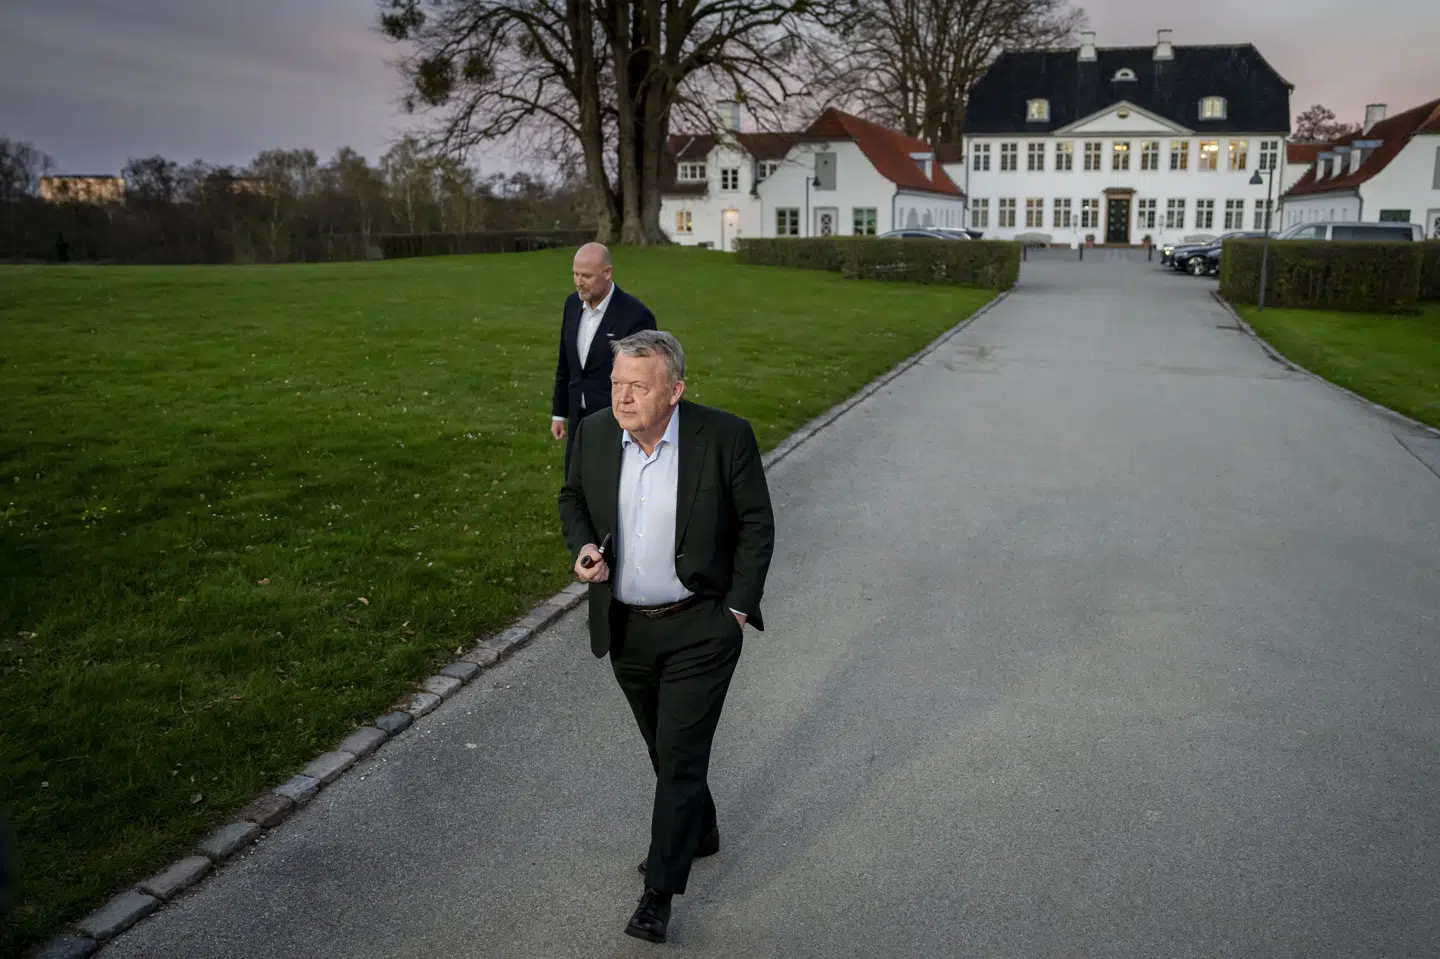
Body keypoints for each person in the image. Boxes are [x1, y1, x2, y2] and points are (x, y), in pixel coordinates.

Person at [558, 330, 775, 944]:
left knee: (679, 755)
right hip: (626, 626)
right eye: (616, 383)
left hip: (701, 626)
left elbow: (756, 524)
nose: (622, 398)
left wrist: (736, 609)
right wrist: (583, 547)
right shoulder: (596, 433)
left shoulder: (724, 437)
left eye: (638, 386)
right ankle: (697, 830)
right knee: (662, 746)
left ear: (675, 390)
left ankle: (660, 890)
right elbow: (572, 498)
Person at [551, 242, 657, 473]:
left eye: (586, 276)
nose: (579, 282)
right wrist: (559, 413)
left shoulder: (636, 316)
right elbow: (565, 364)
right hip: (578, 418)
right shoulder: (571, 304)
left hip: (617, 422)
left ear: (607, 273)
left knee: (610, 487)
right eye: (575, 274)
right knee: (574, 480)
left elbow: (646, 379)